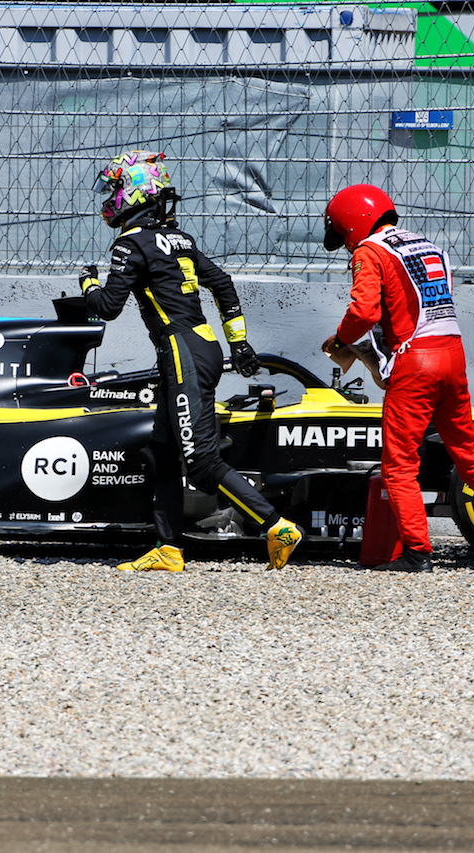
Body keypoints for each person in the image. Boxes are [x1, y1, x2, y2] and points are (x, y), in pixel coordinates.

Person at [81, 150, 302, 572]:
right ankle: (168, 548)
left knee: (200, 460)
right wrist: (238, 343)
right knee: (161, 451)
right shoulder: (181, 239)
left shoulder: (130, 243)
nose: (108, 197)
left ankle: (276, 525)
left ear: (134, 193)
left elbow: (107, 307)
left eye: (113, 188)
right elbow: (222, 284)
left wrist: (88, 282)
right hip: (198, 347)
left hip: (182, 353)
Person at [320, 183, 474, 572]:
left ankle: (417, 554)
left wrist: (341, 339)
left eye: (341, 233)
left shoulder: (371, 250)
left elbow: (365, 312)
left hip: (415, 362)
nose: (345, 243)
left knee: (400, 463)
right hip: (452, 354)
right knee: (469, 450)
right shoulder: (426, 244)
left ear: (352, 223)